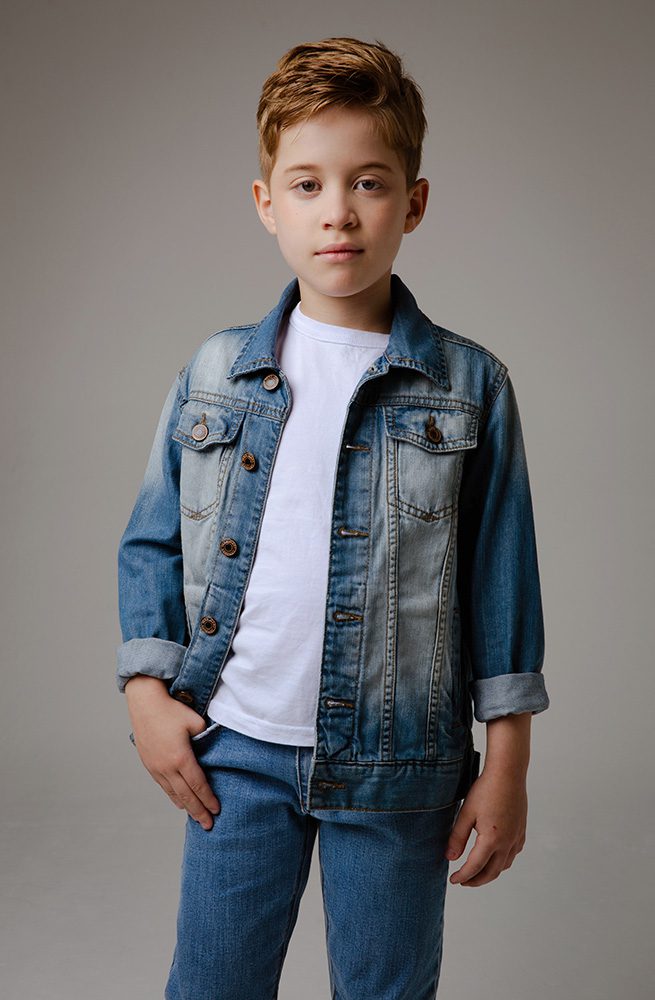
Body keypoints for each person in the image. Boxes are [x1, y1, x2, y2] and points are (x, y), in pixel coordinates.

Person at [116, 36, 550, 1000]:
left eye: (369, 183)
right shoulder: (215, 372)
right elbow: (153, 538)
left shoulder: (469, 386)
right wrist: (147, 693)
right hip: (234, 750)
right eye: (307, 185)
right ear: (265, 202)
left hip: (401, 764)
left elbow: (502, 583)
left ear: (414, 202)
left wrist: (507, 767)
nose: (338, 212)